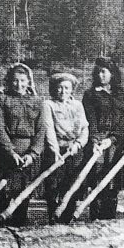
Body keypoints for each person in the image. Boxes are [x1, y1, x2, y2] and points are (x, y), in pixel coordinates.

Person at [0, 63, 46, 226]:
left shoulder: (37, 101)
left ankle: (19, 226)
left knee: (23, 191)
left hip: (28, 151)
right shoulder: (1, 100)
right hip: (7, 151)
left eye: (23, 81)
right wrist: (10, 152)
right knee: (3, 191)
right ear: (9, 81)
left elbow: (41, 130)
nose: (19, 85)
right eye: (15, 81)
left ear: (29, 82)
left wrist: (33, 154)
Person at [81, 57, 124, 220]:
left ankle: (109, 219)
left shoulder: (123, 95)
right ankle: (95, 220)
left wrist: (114, 138)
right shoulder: (90, 95)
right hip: (98, 142)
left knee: (113, 183)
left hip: (116, 143)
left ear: (112, 73)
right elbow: (90, 119)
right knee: (97, 180)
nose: (100, 75)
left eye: (104, 71)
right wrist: (95, 140)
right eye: (97, 72)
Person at [42, 72, 89, 219]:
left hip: (74, 151)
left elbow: (84, 128)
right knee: (53, 186)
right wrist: (55, 151)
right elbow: (48, 128)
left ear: (72, 90)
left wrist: (78, 144)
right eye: (60, 88)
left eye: (67, 88)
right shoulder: (48, 105)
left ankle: (68, 217)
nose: (63, 91)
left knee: (71, 184)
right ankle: (53, 216)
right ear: (54, 88)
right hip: (56, 151)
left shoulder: (77, 105)